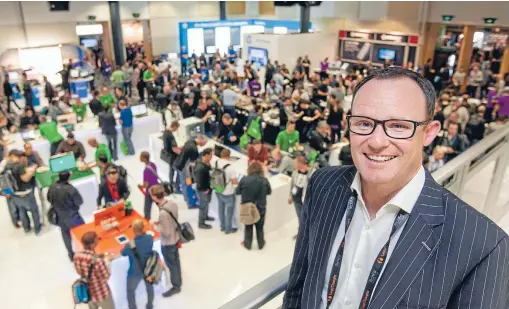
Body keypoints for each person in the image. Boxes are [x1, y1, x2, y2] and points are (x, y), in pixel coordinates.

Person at [283, 67, 509, 309]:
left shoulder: (483, 246)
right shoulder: (323, 185)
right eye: (363, 123)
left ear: (429, 133)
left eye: (399, 126)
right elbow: (299, 285)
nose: (377, 142)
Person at [149, 185, 182, 297]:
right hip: (176, 237)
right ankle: (178, 281)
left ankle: (176, 286)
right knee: (176, 262)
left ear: (154, 197)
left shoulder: (162, 213)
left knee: (172, 265)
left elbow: (166, 232)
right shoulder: (172, 203)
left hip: (168, 242)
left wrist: (156, 228)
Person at [47, 171, 84, 260]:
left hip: (59, 216)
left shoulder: (52, 187)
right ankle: (84, 252)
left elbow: (48, 198)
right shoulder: (71, 189)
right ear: (68, 177)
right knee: (82, 233)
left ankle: (71, 254)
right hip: (73, 216)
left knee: (66, 234)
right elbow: (79, 202)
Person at [73, 231, 114, 309]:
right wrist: (106, 262)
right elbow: (107, 276)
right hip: (101, 293)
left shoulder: (76, 256)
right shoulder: (98, 261)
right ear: (92, 244)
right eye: (96, 240)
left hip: (88, 292)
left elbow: (78, 271)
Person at [236, 162, 271, 250]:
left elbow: (237, 192)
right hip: (260, 207)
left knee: (248, 226)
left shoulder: (244, 179)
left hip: (247, 207)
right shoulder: (264, 180)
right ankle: (261, 244)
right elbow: (269, 192)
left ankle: (247, 245)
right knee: (260, 226)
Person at [5, 149, 41, 234]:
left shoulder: (7, 166)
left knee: (22, 211)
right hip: (25, 192)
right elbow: (25, 178)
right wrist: (32, 171)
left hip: (14, 193)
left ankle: (27, 228)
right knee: (34, 211)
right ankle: (37, 229)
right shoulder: (19, 165)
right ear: (14, 156)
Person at [121, 219, 154, 309]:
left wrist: (126, 245)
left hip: (135, 271)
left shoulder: (130, 245)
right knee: (149, 287)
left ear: (133, 230)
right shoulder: (150, 238)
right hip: (148, 268)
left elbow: (123, 253)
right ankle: (150, 305)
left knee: (130, 291)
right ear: (143, 228)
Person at [173, 135, 208, 208]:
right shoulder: (194, 149)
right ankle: (191, 203)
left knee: (184, 183)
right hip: (185, 170)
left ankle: (186, 198)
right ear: (200, 140)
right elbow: (193, 163)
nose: (204, 145)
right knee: (188, 184)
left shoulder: (189, 141)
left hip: (179, 164)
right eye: (204, 143)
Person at [288, 152, 314, 236]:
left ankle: (307, 234)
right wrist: (290, 196)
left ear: (300, 163)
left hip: (306, 201)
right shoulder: (295, 172)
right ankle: (301, 233)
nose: (294, 164)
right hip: (296, 199)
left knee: (307, 218)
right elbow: (292, 185)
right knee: (300, 217)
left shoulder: (311, 174)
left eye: (295, 162)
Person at [215, 149, 239, 234]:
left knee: (220, 208)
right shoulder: (230, 168)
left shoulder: (217, 162)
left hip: (218, 189)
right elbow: (234, 182)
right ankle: (228, 229)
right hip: (228, 193)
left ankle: (222, 226)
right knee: (229, 212)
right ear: (229, 156)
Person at [194, 148, 214, 229]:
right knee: (203, 206)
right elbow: (199, 181)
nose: (211, 157)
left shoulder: (206, 164)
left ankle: (205, 216)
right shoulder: (200, 168)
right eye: (210, 155)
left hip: (208, 188)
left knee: (206, 204)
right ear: (206, 155)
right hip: (203, 190)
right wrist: (204, 189)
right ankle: (201, 223)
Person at [161, 121, 181, 192]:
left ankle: (171, 184)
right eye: (177, 128)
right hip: (173, 156)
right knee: (179, 171)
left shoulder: (165, 133)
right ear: (174, 127)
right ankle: (177, 187)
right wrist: (181, 153)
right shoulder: (170, 135)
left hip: (169, 156)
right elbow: (174, 149)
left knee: (171, 171)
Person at [139, 151, 159, 220]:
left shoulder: (146, 171)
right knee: (159, 204)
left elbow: (146, 185)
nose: (139, 158)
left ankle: (147, 220)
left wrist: (140, 186)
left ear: (144, 158)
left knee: (147, 209)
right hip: (157, 188)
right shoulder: (153, 165)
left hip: (150, 191)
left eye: (141, 156)